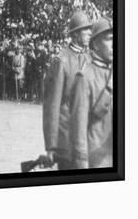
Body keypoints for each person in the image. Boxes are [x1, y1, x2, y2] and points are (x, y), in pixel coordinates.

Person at [43, 11, 92, 170]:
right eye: (86, 29)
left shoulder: (89, 58)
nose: (90, 33)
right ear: (76, 34)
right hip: (66, 140)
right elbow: (52, 105)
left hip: (86, 138)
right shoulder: (61, 60)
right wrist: (51, 145)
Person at [70, 17, 113, 169]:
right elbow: (79, 128)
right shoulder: (84, 77)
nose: (114, 44)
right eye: (109, 39)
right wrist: (82, 165)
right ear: (95, 44)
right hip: (96, 159)